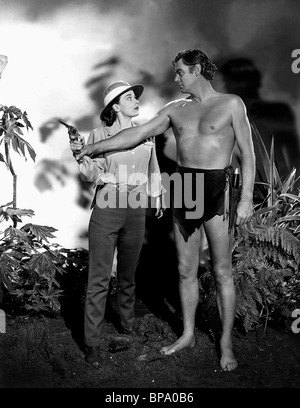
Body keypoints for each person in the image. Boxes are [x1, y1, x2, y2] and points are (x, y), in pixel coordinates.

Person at [73, 49, 256, 372]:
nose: (176, 79)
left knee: (221, 270)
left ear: (197, 70)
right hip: (185, 188)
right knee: (186, 270)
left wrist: (245, 199)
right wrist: (92, 147)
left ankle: (225, 343)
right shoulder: (175, 110)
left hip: (216, 187)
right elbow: (136, 135)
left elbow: (248, 153)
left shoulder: (231, 104)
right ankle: (187, 334)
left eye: (180, 73)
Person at [70, 80, 164, 366]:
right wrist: (79, 152)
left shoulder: (146, 132)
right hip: (108, 205)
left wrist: (157, 195)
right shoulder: (99, 134)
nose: (136, 100)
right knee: (99, 277)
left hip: (136, 206)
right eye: (129, 97)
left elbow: (154, 167)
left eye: (136, 97)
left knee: (128, 273)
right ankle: (92, 343)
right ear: (115, 105)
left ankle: (126, 321)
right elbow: (89, 174)